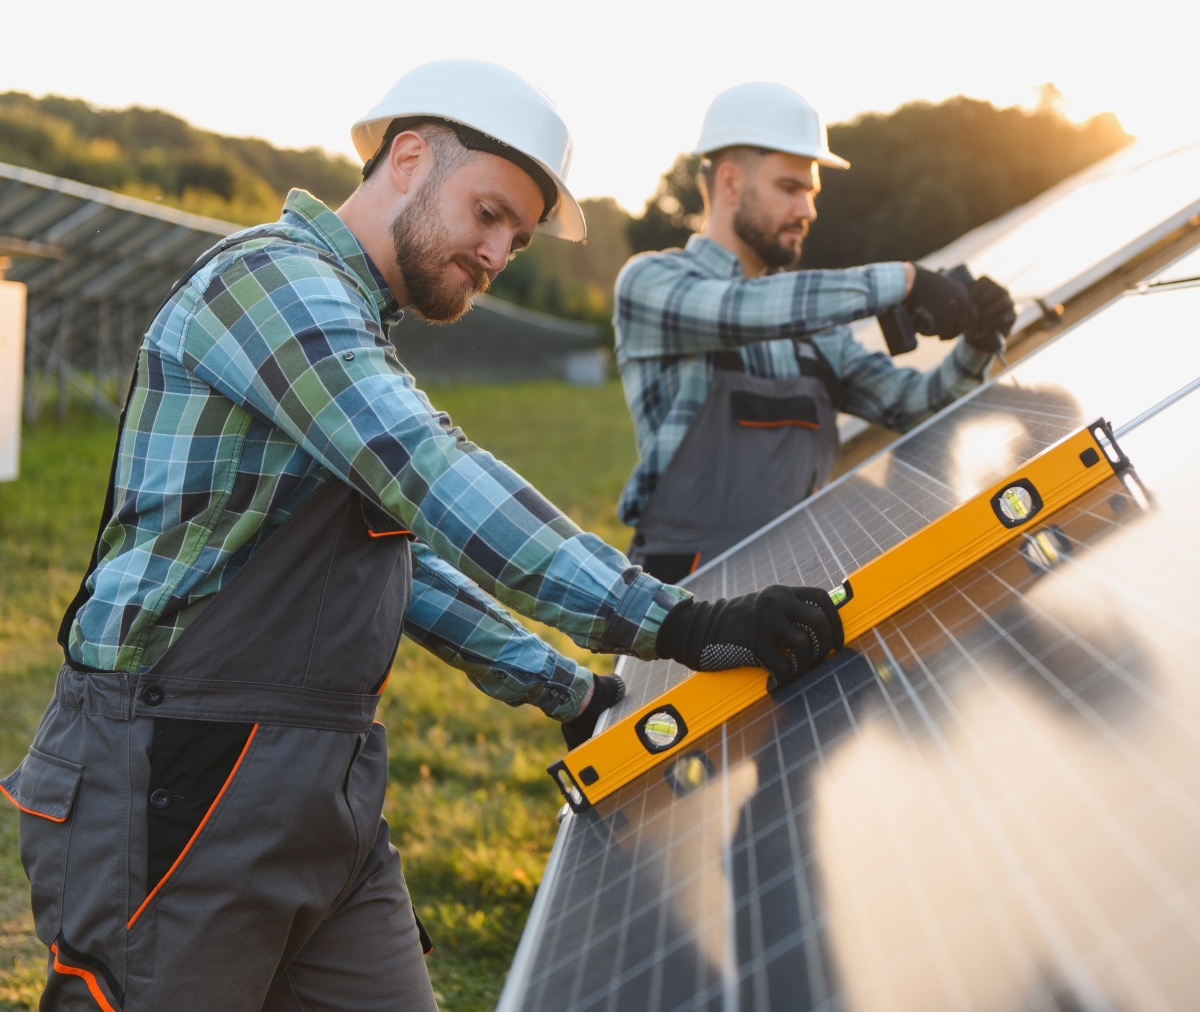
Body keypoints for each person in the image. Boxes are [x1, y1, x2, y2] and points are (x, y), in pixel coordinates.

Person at [2, 60, 844, 1012]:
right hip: (172, 773)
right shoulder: (270, 285)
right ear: (407, 159)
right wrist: (677, 624)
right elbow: (431, 475)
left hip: (324, 788)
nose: (495, 252)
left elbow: (393, 557)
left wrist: (567, 688)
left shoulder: (350, 329)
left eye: (516, 240)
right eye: (487, 214)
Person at [615, 81, 1016, 582]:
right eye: (790, 188)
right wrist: (906, 281)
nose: (807, 211)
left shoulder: (811, 330)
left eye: (810, 192)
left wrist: (977, 346)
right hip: (685, 600)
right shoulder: (651, 283)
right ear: (731, 183)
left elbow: (913, 406)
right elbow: (743, 313)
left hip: (798, 586)